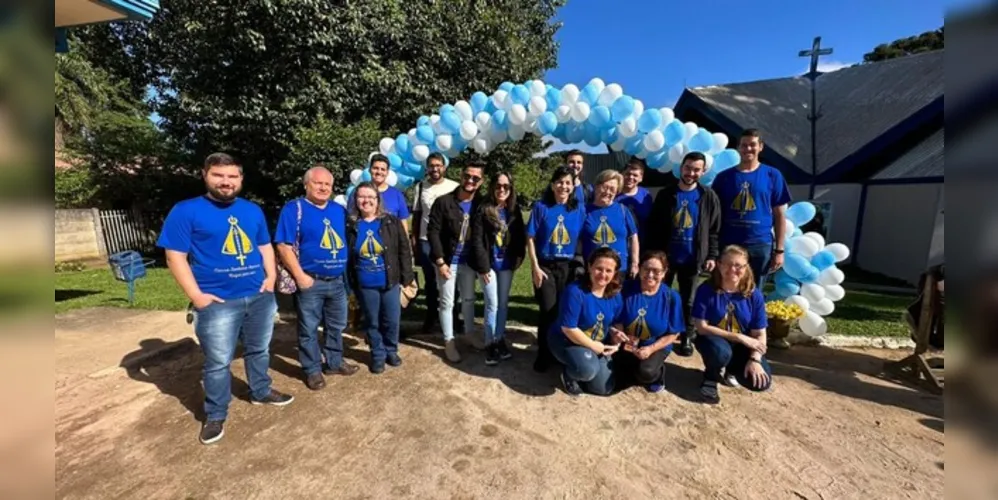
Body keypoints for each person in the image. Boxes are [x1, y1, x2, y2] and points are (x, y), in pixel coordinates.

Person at [157, 152, 293, 445]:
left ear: (241, 179)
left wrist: (270, 278)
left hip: (258, 296)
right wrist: (196, 296)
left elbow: (264, 246)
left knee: (259, 349)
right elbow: (174, 256)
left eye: (232, 176)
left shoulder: (252, 211)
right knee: (218, 362)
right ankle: (216, 414)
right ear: (205, 175)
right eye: (219, 175)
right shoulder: (186, 211)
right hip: (217, 303)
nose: (226, 182)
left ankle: (261, 390)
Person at [275, 165, 359, 391]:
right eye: (318, 183)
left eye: (327, 184)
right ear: (306, 185)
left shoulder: (338, 210)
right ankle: (312, 369)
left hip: (337, 280)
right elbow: (283, 245)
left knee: (336, 325)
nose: (323, 187)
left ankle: (334, 361)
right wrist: (300, 276)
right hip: (310, 281)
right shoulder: (294, 209)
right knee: (309, 328)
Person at [648, 151, 721, 357]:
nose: (691, 173)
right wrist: (654, 256)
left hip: (692, 258)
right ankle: (659, 331)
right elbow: (655, 227)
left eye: (696, 169)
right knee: (661, 297)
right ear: (681, 167)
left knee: (688, 300)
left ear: (703, 171)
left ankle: (687, 335)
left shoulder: (708, 196)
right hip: (666, 258)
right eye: (688, 168)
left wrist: (712, 256)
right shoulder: (666, 194)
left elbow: (714, 230)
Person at [346, 182, 415, 373]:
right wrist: (349, 284)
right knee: (372, 321)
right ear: (356, 200)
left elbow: (404, 250)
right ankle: (377, 353)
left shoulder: (390, 222)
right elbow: (347, 258)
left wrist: (407, 276)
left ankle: (391, 350)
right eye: (361, 197)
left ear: (378, 201)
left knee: (392, 320)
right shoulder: (350, 225)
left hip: (390, 281)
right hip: (365, 284)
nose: (366, 200)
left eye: (370, 197)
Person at [692, 244, 773, 404]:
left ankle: (732, 370)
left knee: (761, 383)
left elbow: (759, 334)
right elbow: (701, 327)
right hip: (712, 340)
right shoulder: (706, 290)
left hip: (742, 346)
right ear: (719, 264)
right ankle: (711, 376)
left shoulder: (754, 294)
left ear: (746, 267)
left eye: (738, 265)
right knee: (720, 352)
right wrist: (740, 337)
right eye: (727, 264)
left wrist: (755, 359)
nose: (732, 269)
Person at [711, 129, 791, 287]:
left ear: (761, 146)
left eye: (752, 145)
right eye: (744, 145)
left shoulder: (772, 175)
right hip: (728, 244)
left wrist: (779, 251)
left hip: (759, 245)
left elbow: (780, 216)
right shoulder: (724, 177)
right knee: (724, 289)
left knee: (754, 292)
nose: (748, 149)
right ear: (738, 148)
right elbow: (713, 215)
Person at [526, 166, 586, 372]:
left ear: (573, 186)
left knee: (565, 312)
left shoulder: (578, 209)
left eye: (568, 182)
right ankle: (543, 353)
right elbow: (531, 237)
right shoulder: (541, 207)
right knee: (548, 311)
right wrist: (534, 266)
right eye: (559, 182)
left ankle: (560, 353)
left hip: (568, 268)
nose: (563, 186)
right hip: (546, 266)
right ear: (552, 185)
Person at [427, 161, 486, 363]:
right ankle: (449, 341)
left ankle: (469, 333)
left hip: (468, 262)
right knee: (447, 302)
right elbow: (432, 232)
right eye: (467, 176)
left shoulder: (481, 204)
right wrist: (440, 261)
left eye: (475, 178)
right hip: (448, 260)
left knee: (469, 299)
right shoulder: (444, 202)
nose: (470, 180)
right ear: (461, 176)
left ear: (481, 181)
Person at [548, 247, 626, 396]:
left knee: (603, 388)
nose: (603, 274)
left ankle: (584, 363)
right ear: (589, 267)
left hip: (596, 342)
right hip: (567, 340)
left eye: (609, 271)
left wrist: (617, 339)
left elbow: (617, 322)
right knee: (587, 370)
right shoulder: (575, 291)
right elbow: (569, 328)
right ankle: (569, 374)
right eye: (599, 268)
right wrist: (593, 346)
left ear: (615, 273)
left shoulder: (615, 294)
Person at [469, 170, 526, 366]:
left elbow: (520, 237)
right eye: (498, 185)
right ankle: (490, 342)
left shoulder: (514, 210)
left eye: (506, 186)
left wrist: (518, 260)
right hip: (489, 265)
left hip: (506, 264)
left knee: (503, 303)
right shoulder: (483, 209)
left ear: (511, 189)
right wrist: (483, 268)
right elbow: (476, 240)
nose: (502, 189)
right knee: (492, 303)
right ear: (493, 187)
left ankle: (500, 338)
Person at [612, 251, 685, 393]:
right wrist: (621, 337)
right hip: (628, 342)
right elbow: (618, 319)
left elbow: (673, 333)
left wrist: (651, 349)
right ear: (639, 269)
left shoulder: (671, 297)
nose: (650, 275)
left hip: (655, 344)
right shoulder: (626, 288)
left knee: (646, 372)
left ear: (664, 273)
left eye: (656, 271)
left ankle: (658, 374)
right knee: (616, 372)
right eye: (646, 269)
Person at [410, 152, 459, 334]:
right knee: (430, 281)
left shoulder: (454, 186)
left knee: (450, 279)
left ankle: (453, 317)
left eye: (438, 165)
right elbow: (417, 214)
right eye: (431, 166)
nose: (435, 169)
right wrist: (414, 238)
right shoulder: (421, 187)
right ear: (427, 168)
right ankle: (431, 316)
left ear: (444, 167)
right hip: (425, 241)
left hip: (448, 242)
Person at [581, 169, 639, 279]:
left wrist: (635, 263)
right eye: (605, 187)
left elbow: (633, 237)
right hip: (594, 270)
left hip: (619, 269)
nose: (608, 192)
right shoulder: (584, 211)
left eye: (612, 189)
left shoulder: (623, 210)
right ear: (597, 186)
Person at [351, 154, 411, 233]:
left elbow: (403, 223)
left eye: (383, 169)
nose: (379, 172)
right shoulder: (358, 193)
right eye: (375, 168)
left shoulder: (397, 195)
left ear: (387, 172)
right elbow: (351, 219)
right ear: (369, 170)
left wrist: (406, 243)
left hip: (391, 243)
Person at [615, 157, 655, 243]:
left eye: (635, 175)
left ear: (641, 178)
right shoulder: (614, 193)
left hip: (642, 243)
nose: (630, 177)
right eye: (628, 174)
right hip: (619, 243)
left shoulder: (645, 195)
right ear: (622, 174)